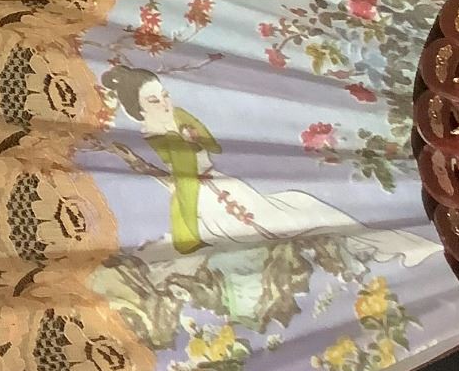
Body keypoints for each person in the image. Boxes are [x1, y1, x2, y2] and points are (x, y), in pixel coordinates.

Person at [101, 65, 437, 266]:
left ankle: (395, 245)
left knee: (302, 206)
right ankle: (394, 247)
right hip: (210, 201)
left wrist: (188, 133)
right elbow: (178, 176)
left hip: (223, 184)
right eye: (154, 100)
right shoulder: (154, 137)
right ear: (138, 110)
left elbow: (210, 145)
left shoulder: (177, 118)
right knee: (298, 220)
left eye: (164, 94)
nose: (165, 102)